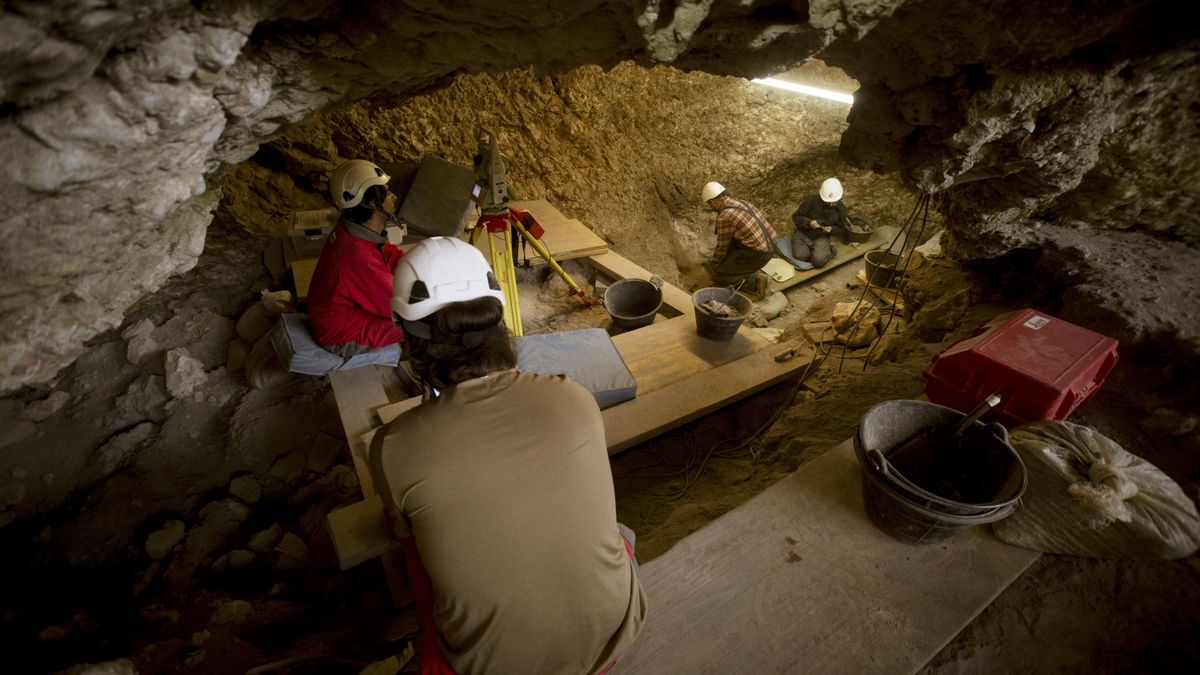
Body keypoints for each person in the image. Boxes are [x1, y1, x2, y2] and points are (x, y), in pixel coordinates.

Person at [370, 236, 647, 675]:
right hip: (612, 634)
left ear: (409, 336)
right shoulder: (574, 397)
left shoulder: (394, 447)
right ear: (497, 319)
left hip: (491, 667)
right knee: (621, 532)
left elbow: (412, 550)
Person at [306, 159, 406, 356]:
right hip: (340, 335)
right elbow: (399, 307)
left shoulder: (352, 229)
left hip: (340, 315)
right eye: (385, 192)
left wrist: (422, 264)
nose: (393, 196)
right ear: (370, 203)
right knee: (418, 325)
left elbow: (389, 255)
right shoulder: (357, 256)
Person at [701, 181, 776, 294]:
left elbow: (723, 246)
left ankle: (756, 282)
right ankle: (746, 270)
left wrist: (715, 262)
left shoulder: (725, 216)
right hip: (772, 246)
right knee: (729, 262)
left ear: (714, 202)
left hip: (757, 254)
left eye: (710, 204)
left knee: (719, 275)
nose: (711, 207)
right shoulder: (742, 203)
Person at [789, 177, 850, 268]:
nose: (831, 204)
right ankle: (814, 250)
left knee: (819, 261)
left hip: (821, 236)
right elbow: (796, 217)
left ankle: (828, 250)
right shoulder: (811, 201)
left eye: (834, 202)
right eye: (828, 202)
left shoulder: (841, 210)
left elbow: (840, 229)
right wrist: (809, 223)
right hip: (803, 232)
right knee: (801, 255)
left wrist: (832, 229)